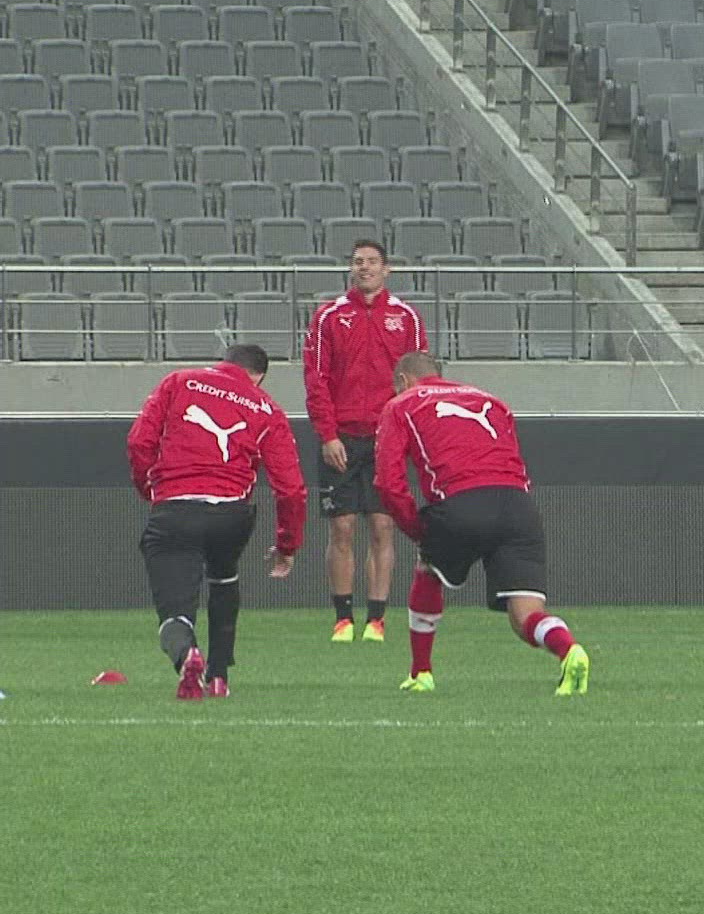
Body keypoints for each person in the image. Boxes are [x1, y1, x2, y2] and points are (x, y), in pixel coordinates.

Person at [373, 352, 590, 696]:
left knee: (428, 571)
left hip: (461, 501)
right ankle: (569, 649)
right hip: (519, 506)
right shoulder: (492, 400)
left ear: (403, 381)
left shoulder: (402, 404)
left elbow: (388, 482)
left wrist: (417, 529)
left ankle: (421, 673)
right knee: (525, 614)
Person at [127, 344, 307, 699]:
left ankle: (187, 654)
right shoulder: (267, 408)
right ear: (259, 377)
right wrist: (287, 544)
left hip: (176, 507)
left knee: (174, 612)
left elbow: (139, 442)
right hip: (231, 513)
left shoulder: (179, 382)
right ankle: (220, 675)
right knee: (224, 575)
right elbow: (291, 489)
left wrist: (150, 489)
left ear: (223, 362)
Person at [304, 239, 428, 643]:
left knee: (382, 526)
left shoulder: (406, 318)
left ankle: (377, 619)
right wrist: (327, 435)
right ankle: (343, 619)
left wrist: (404, 434)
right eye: (358, 261)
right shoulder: (328, 316)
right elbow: (316, 379)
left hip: (386, 438)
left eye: (373, 262)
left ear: (386, 269)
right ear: (351, 268)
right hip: (341, 438)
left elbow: (419, 380)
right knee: (341, 528)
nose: (365, 267)